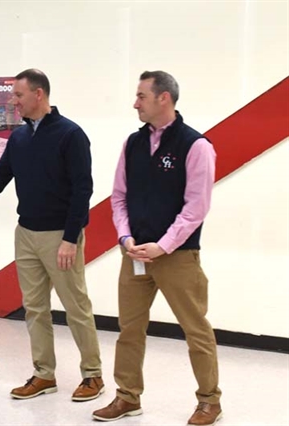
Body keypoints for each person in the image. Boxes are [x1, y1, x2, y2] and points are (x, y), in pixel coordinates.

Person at [0, 69, 104, 401]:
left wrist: (71, 237)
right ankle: (44, 374)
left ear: (39, 95)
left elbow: (83, 190)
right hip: (25, 233)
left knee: (76, 306)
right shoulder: (20, 138)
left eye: (19, 95)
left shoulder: (71, 135)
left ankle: (93, 375)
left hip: (60, 236)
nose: (13, 101)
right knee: (35, 308)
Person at [92, 71, 222, 426]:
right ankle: (127, 397)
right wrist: (125, 237)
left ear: (164, 98)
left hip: (177, 257)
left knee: (196, 330)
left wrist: (162, 247)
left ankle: (210, 401)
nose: (135, 103)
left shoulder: (195, 146)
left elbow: (196, 207)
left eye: (141, 96)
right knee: (129, 329)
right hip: (134, 255)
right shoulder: (132, 144)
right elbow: (119, 197)